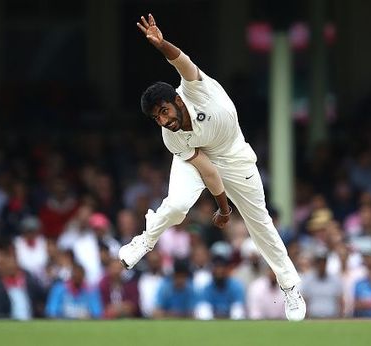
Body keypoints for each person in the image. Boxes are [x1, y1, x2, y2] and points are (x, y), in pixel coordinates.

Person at [118, 13, 306, 321]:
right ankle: (145, 240)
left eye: (165, 111)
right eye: (157, 118)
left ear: (176, 99)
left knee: (260, 224)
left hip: (233, 155)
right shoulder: (171, 136)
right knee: (177, 205)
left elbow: (181, 61)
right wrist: (223, 209)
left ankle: (289, 287)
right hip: (199, 156)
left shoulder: (195, 90)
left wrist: (161, 43)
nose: (164, 121)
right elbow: (206, 170)